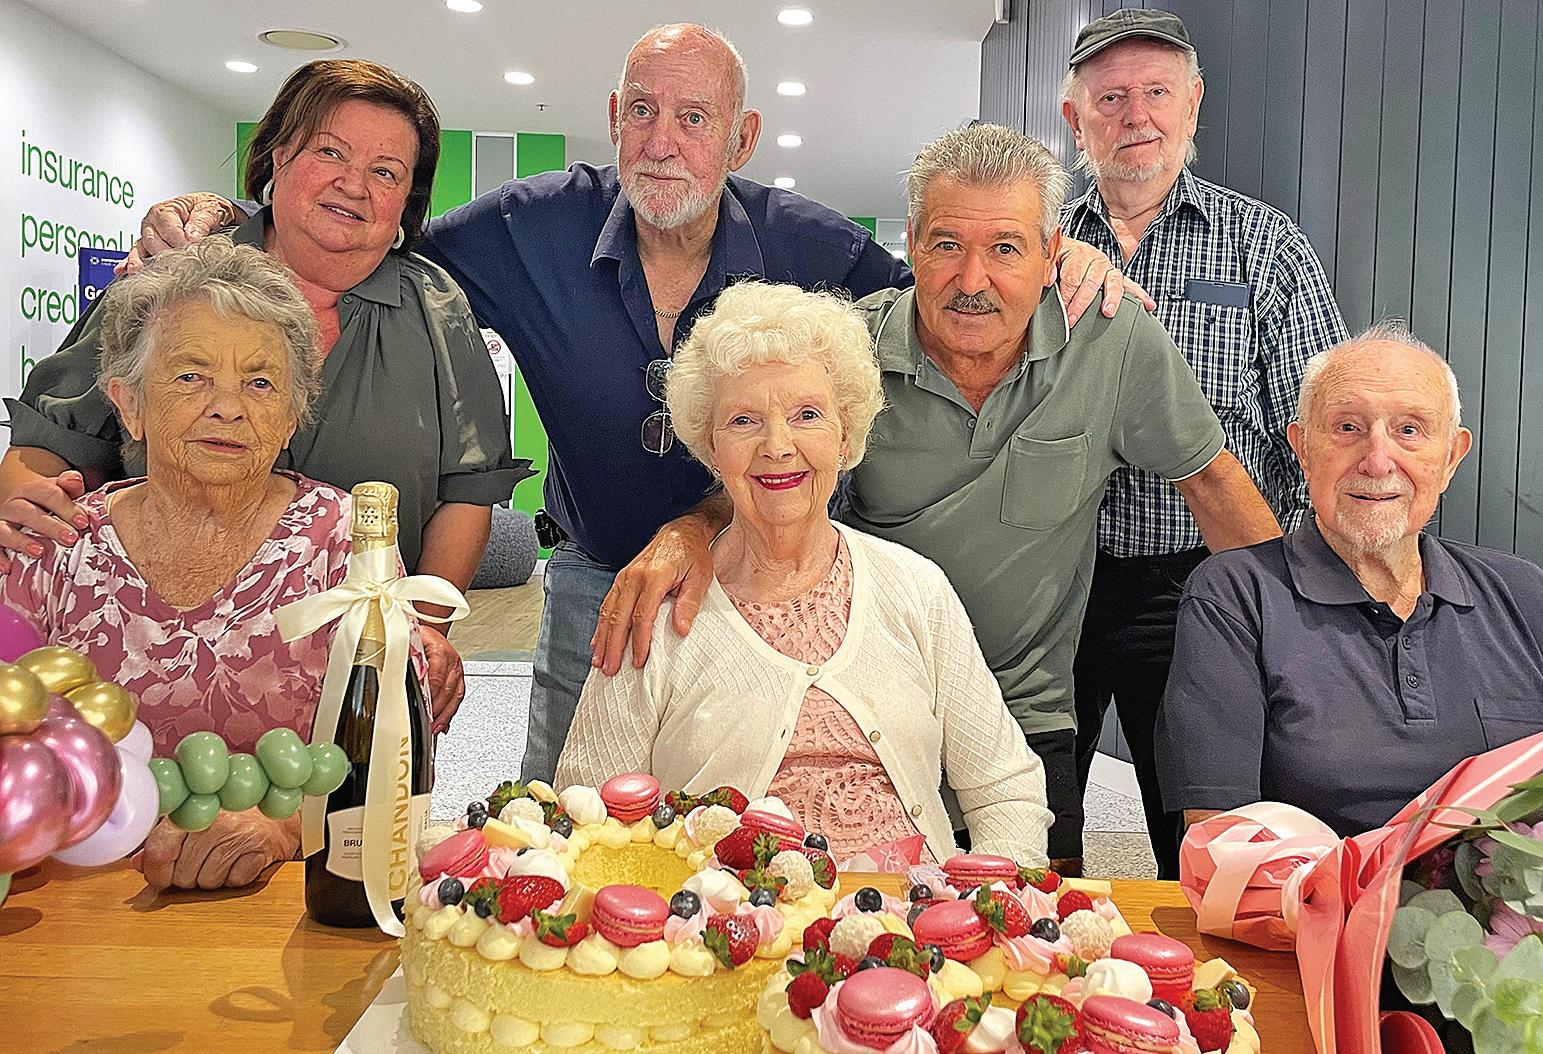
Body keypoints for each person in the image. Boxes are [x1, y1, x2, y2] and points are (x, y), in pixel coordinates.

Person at [122, 25, 1146, 786]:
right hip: (589, 577)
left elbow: (950, 295)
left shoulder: (815, 245)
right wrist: (223, 218)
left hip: (762, 577)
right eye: (643, 112)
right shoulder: (522, 228)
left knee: (746, 802)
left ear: (739, 138)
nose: (663, 141)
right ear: (614, 119)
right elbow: (359, 230)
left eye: (695, 118)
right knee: (560, 813)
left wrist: (1070, 259)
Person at [593, 123, 1283, 871]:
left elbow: (1215, 484)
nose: (972, 279)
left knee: (1031, 910)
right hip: (879, 690)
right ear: (913, 244)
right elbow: (768, 468)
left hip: (1025, 707)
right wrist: (688, 531)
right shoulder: (850, 354)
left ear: (1052, 254)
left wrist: (1290, 652)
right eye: (948, 244)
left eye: (1006, 248)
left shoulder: (1111, 344)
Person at [0, 59, 530, 733]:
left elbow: (469, 487)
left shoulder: (434, 306)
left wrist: (422, 632)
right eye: (330, 152)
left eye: (386, 171)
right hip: (141, 661)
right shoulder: (172, 277)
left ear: (407, 200)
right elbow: (52, 439)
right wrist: (23, 518)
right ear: (280, 153)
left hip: (352, 671)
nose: (353, 184)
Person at [557, 282, 1051, 866]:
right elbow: (585, 819)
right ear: (711, 446)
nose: (778, 446)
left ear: (846, 437)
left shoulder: (916, 587)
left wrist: (981, 901)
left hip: (916, 914)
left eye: (807, 416)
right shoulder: (657, 610)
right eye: (744, 420)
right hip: (722, 916)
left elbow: (1006, 789)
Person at [0, 238, 429, 890]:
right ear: (129, 404)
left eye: (260, 382)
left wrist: (288, 826)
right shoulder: (57, 544)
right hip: (74, 909)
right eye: (190, 376)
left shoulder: (345, 542)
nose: (228, 406)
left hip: (279, 908)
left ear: (292, 414)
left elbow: (399, 761)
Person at [1057, 9, 1348, 877]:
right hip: (1053, 581)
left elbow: (1318, 430)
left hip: (1202, 583)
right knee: (1030, 816)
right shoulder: (1037, 248)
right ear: (1074, 119)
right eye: (1110, 98)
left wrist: (1301, 590)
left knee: (1205, 835)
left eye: (1155, 92)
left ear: (1192, 104)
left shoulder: (1264, 244)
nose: (1135, 116)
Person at [1157, 324, 1543, 838]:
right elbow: (1221, 838)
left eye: (1410, 430)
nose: (1377, 462)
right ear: (1303, 448)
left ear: (1451, 458)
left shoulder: (1529, 598)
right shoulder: (1236, 595)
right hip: (1311, 891)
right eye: (1348, 427)